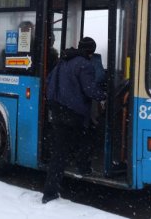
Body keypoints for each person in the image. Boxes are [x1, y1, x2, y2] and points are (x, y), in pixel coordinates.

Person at [42, 37, 106, 204]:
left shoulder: (63, 60)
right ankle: (50, 193)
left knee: (62, 148)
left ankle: (79, 168)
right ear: (91, 51)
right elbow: (90, 90)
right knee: (84, 139)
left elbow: (49, 80)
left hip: (57, 110)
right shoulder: (85, 65)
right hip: (73, 112)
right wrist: (104, 95)